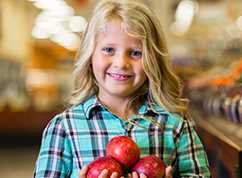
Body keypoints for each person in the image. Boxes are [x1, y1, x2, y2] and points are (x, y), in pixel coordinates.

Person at [34, 0, 211, 177]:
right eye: (109, 50)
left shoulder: (175, 127)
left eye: (135, 53)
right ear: (90, 57)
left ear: (153, 61)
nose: (121, 63)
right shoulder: (64, 127)